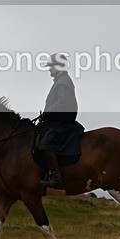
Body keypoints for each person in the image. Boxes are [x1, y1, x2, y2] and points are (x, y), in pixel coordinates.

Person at [39, 53, 79, 189]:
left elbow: (63, 102)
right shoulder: (61, 81)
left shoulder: (63, 82)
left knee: (45, 144)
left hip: (62, 124)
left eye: (51, 66)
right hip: (56, 122)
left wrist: (47, 112)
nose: (49, 69)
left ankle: (57, 179)